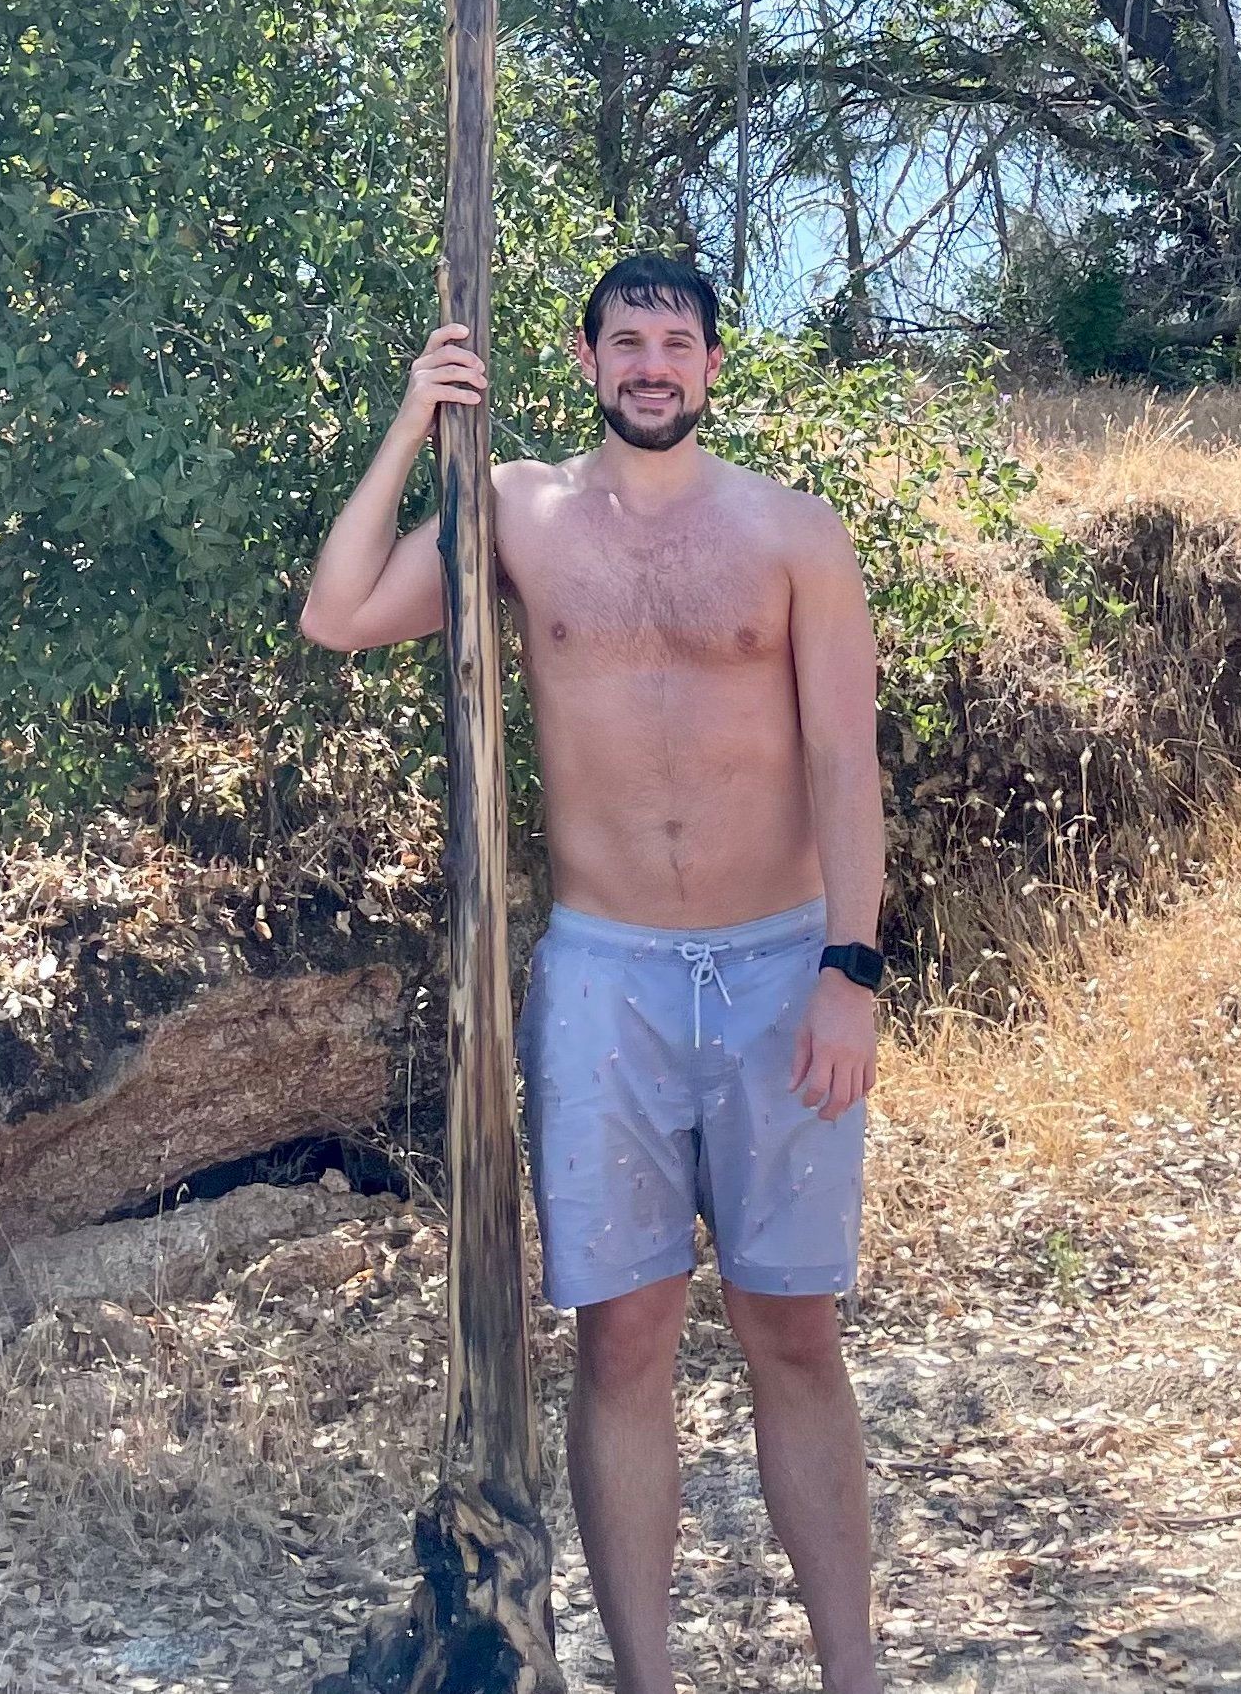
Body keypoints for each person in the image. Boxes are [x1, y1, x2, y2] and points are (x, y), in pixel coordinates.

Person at [299, 252, 887, 1694]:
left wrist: (849, 970)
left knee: (790, 1336)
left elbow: (840, 762)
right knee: (623, 1340)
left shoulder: (792, 533)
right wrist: (413, 415)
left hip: (774, 968)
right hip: (603, 974)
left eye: (676, 344)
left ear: (711, 370)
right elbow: (339, 612)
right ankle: (642, 1679)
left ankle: (856, 1676)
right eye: (626, 340)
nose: (651, 364)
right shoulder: (515, 510)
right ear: (583, 360)